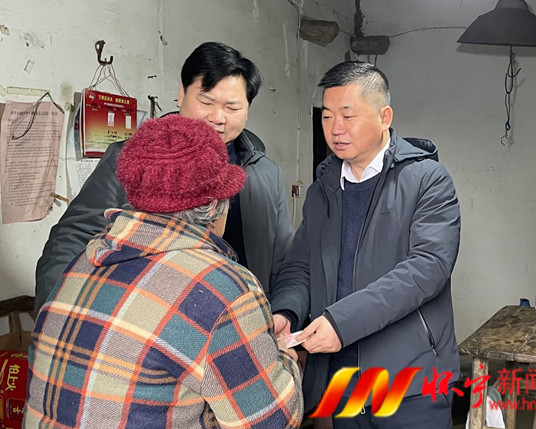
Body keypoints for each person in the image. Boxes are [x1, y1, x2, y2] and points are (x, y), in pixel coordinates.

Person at [24, 115, 303, 429]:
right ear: (214, 206)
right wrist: (280, 357)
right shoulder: (224, 288)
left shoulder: (83, 262)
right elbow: (273, 422)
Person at [270, 61, 461, 429]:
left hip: (410, 381)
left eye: (348, 115)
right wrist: (286, 313)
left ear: (384, 116)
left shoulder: (427, 180)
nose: (335, 129)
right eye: (327, 117)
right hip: (341, 380)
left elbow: (428, 267)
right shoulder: (323, 189)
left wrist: (341, 322)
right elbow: (301, 266)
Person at [34, 41, 293, 312]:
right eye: (206, 101)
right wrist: (59, 315)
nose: (217, 117)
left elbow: (284, 259)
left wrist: (283, 312)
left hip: (240, 318)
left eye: (232, 108)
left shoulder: (266, 172)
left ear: (248, 109)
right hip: (150, 319)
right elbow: (72, 239)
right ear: (181, 95)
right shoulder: (133, 159)